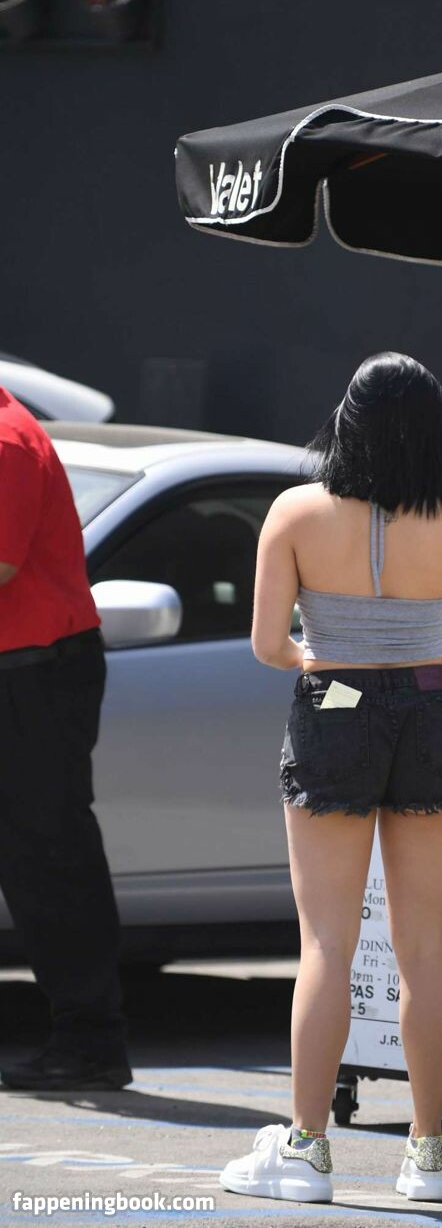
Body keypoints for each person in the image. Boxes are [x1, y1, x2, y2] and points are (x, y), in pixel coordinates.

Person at [219, 351, 442, 1205]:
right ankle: (428, 1156)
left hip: (334, 704)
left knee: (326, 944)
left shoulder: (295, 512)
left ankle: (306, 1150)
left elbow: (268, 646)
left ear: (347, 422)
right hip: (432, 706)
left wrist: (321, 661)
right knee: (424, 947)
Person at [0, 387, 130, 1091]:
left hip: (36, 674)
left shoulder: (6, 441)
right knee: (37, 856)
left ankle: (90, 1041)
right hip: (23, 669)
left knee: (50, 856)